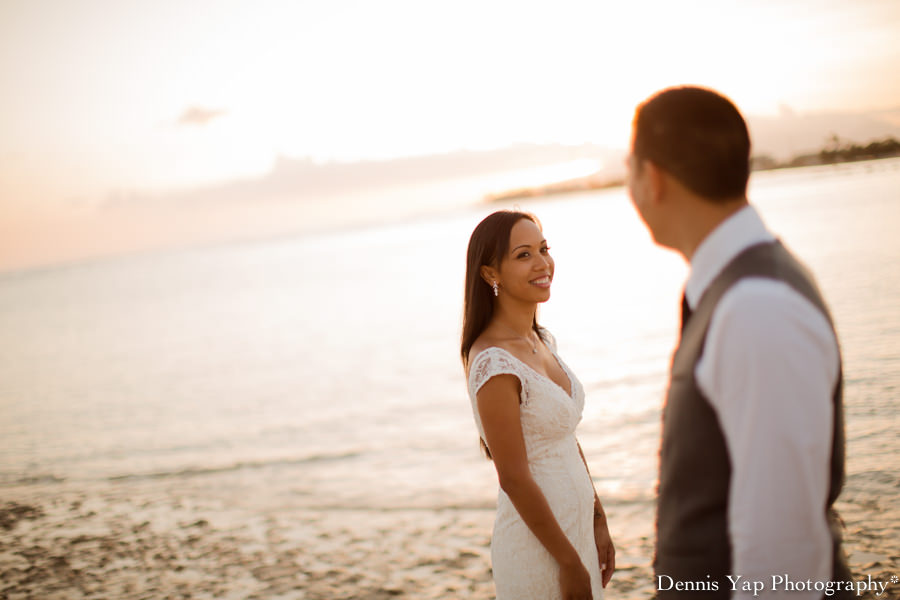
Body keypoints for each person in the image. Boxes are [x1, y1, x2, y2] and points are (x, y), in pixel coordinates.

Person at [626, 86, 852, 599]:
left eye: (630, 168)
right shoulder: (736, 290)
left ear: (652, 178)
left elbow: (782, 552)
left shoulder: (756, 308)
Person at [461, 210, 615, 600]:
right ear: (490, 274)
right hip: (541, 548)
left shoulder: (541, 339)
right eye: (523, 255)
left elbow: (564, 436)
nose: (542, 263)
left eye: (543, 249)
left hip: (577, 532)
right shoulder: (494, 363)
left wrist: (598, 520)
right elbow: (512, 477)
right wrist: (567, 562)